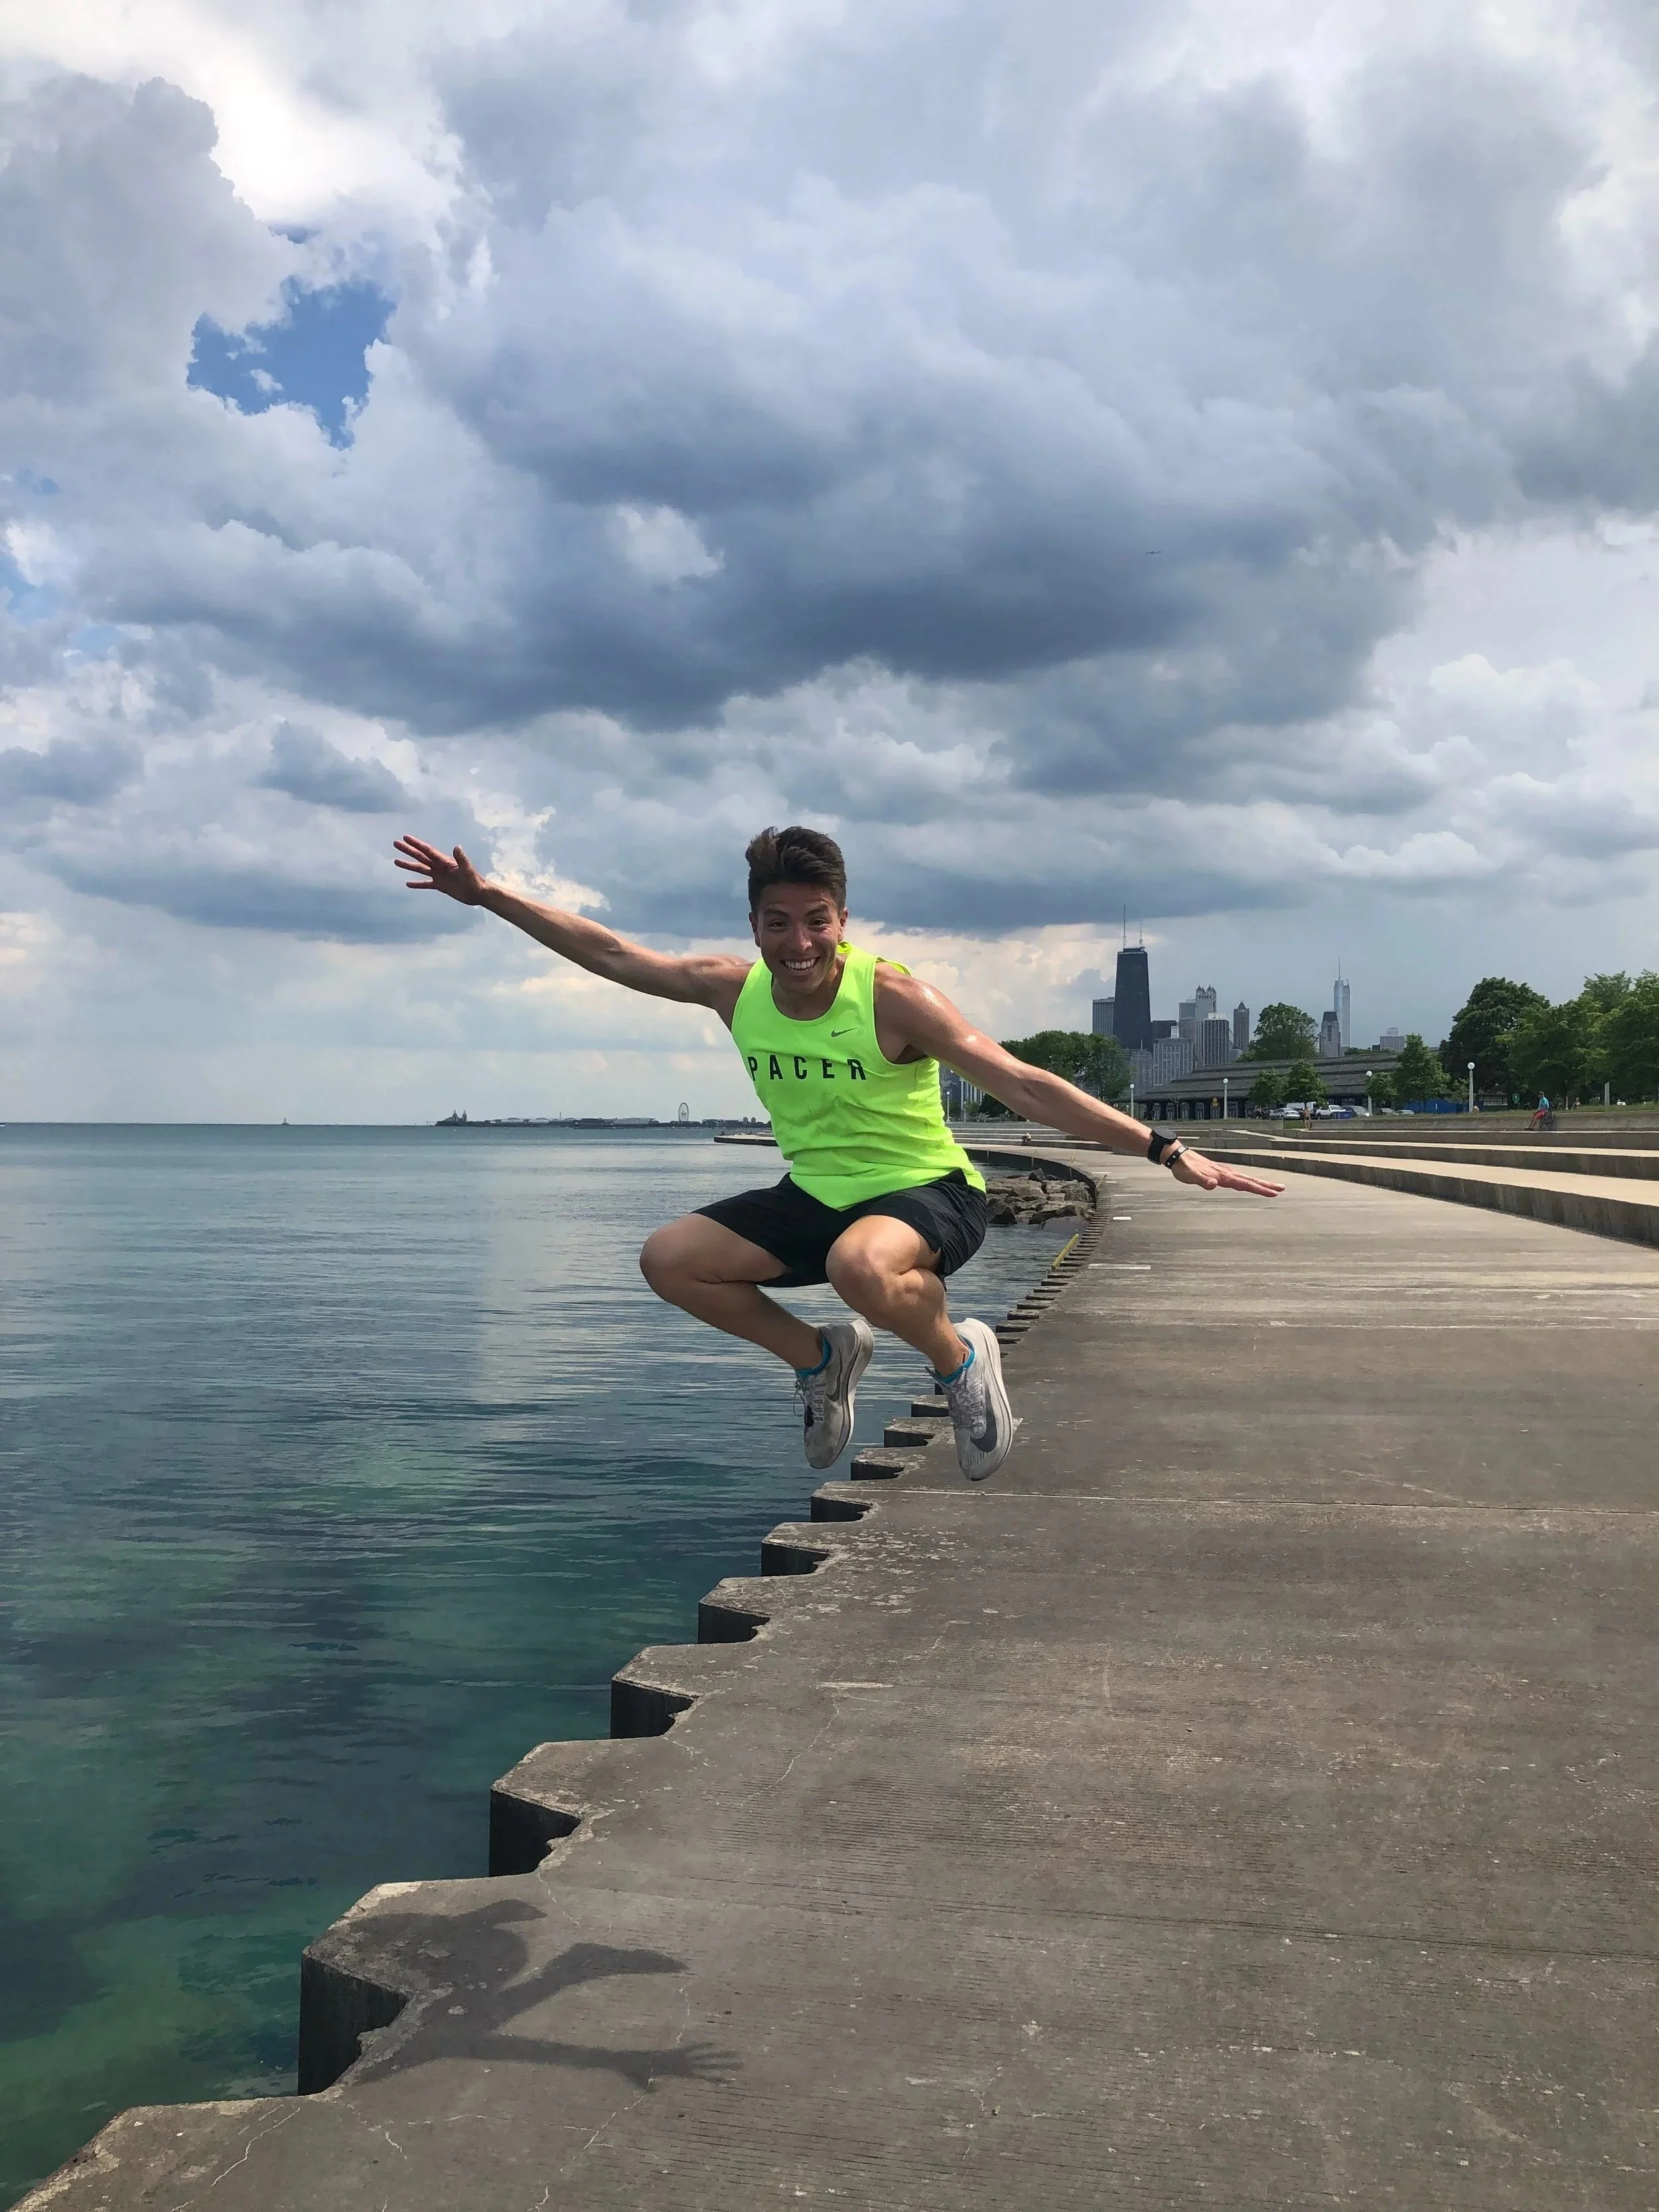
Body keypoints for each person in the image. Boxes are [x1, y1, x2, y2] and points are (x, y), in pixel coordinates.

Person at [392, 824, 1283, 1483]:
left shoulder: (894, 998)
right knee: (669, 1260)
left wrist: (1163, 1148)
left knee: (861, 1263)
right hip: (817, 1191)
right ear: (753, 927)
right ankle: (822, 1360)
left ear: (843, 921)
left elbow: (1022, 1083)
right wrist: (493, 896)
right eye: (778, 924)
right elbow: (615, 954)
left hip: (930, 1191)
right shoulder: (732, 992)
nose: (799, 944)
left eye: (817, 922)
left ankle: (962, 1361)